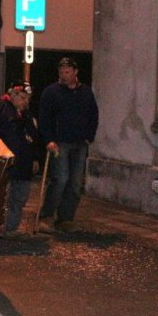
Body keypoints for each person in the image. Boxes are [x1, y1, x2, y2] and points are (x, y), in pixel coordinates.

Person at [37, 57, 99, 233]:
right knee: (60, 179)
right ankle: (46, 216)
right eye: (61, 72)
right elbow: (44, 117)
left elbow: (93, 115)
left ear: (75, 72)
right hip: (60, 142)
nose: (64, 75)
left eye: (67, 72)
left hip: (80, 142)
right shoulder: (51, 92)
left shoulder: (85, 92)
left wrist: (89, 137)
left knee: (75, 182)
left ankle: (66, 218)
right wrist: (48, 139)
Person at [0, 81, 41, 239]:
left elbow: (33, 137)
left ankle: (10, 228)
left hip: (23, 163)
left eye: (28, 99)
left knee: (19, 198)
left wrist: (35, 157)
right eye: (23, 98)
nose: (26, 102)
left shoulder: (27, 115)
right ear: (12, 94)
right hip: (2, 162)